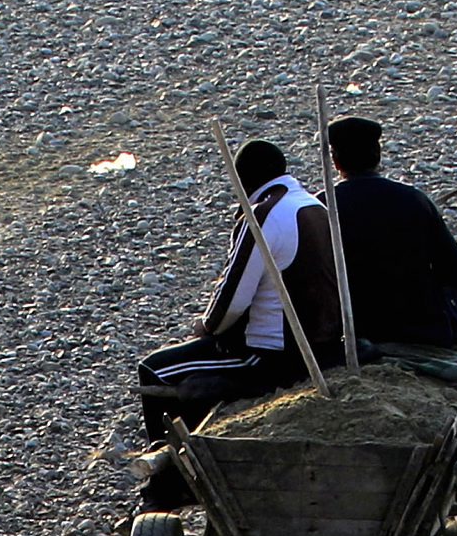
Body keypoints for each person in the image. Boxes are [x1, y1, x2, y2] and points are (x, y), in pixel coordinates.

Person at [131, 139, 335, 451]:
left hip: (275, 356)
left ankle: (167, 481)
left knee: (155, 369)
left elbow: (232, 300)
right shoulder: (315, 205)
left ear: (243, 179)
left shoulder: (262, 215)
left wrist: (206, 327)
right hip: (325, 346)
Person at [319, 112, 457, 357]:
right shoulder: (412, 199)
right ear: (378, 156)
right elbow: (454, 269)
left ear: (336, 161)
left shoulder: (321, 205)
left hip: (356, 327)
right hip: (422, 327)